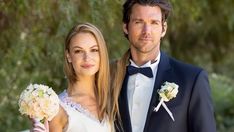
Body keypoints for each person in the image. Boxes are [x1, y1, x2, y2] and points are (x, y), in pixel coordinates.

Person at [110, 0, 216, 132]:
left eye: (154, 23)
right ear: (126, 27)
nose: (146, 31)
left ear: (163, 28)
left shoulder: (192, 80)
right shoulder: (108, 77)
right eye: (139, 22)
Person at [31, 23, 114, 132]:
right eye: (78, 51)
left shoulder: (112, 98)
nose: (87, 58)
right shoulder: (57, 109)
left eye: (94, 50)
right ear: (69, 56)